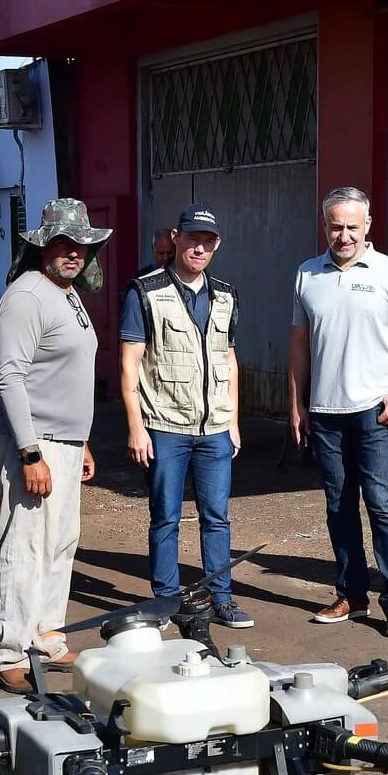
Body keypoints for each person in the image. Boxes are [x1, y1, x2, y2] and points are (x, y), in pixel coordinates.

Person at [289, 185, 388, 637]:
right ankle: (351, 594)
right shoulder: (308, 274)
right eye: (336, 226)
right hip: (326, 412)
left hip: (376, 412)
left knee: (384, 505)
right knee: (338, 506)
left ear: (368, 226)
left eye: (352, 226)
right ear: (324, 225)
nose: (344, 235)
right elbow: (299, 343)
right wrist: (297, 404)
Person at [0, 198, 106, 692]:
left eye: (79, 244)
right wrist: (30, 452)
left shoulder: (68, 293)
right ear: (43, 246)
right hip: (35, 443)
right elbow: (9, 379)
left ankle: (46, 637)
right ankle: (9, 652)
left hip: (66, 440)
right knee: (26, 546)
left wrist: (82, 443)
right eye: (63, 243)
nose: (72, 252)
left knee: (60, 543)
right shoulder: (28, 296)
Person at [119, 204, 252, 628]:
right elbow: (129, 365)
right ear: (176, 238)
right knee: (166, 517)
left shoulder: (226, 294)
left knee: (217, 518)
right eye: (193, 238)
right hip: (164, 427)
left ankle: (221, 597)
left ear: (216, 246)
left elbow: (229, 361)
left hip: (214, 429)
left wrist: (233, 422)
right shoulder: (145, 291)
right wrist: (136, 428)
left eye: (207, 241)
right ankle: (165, 602)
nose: (199, 247)